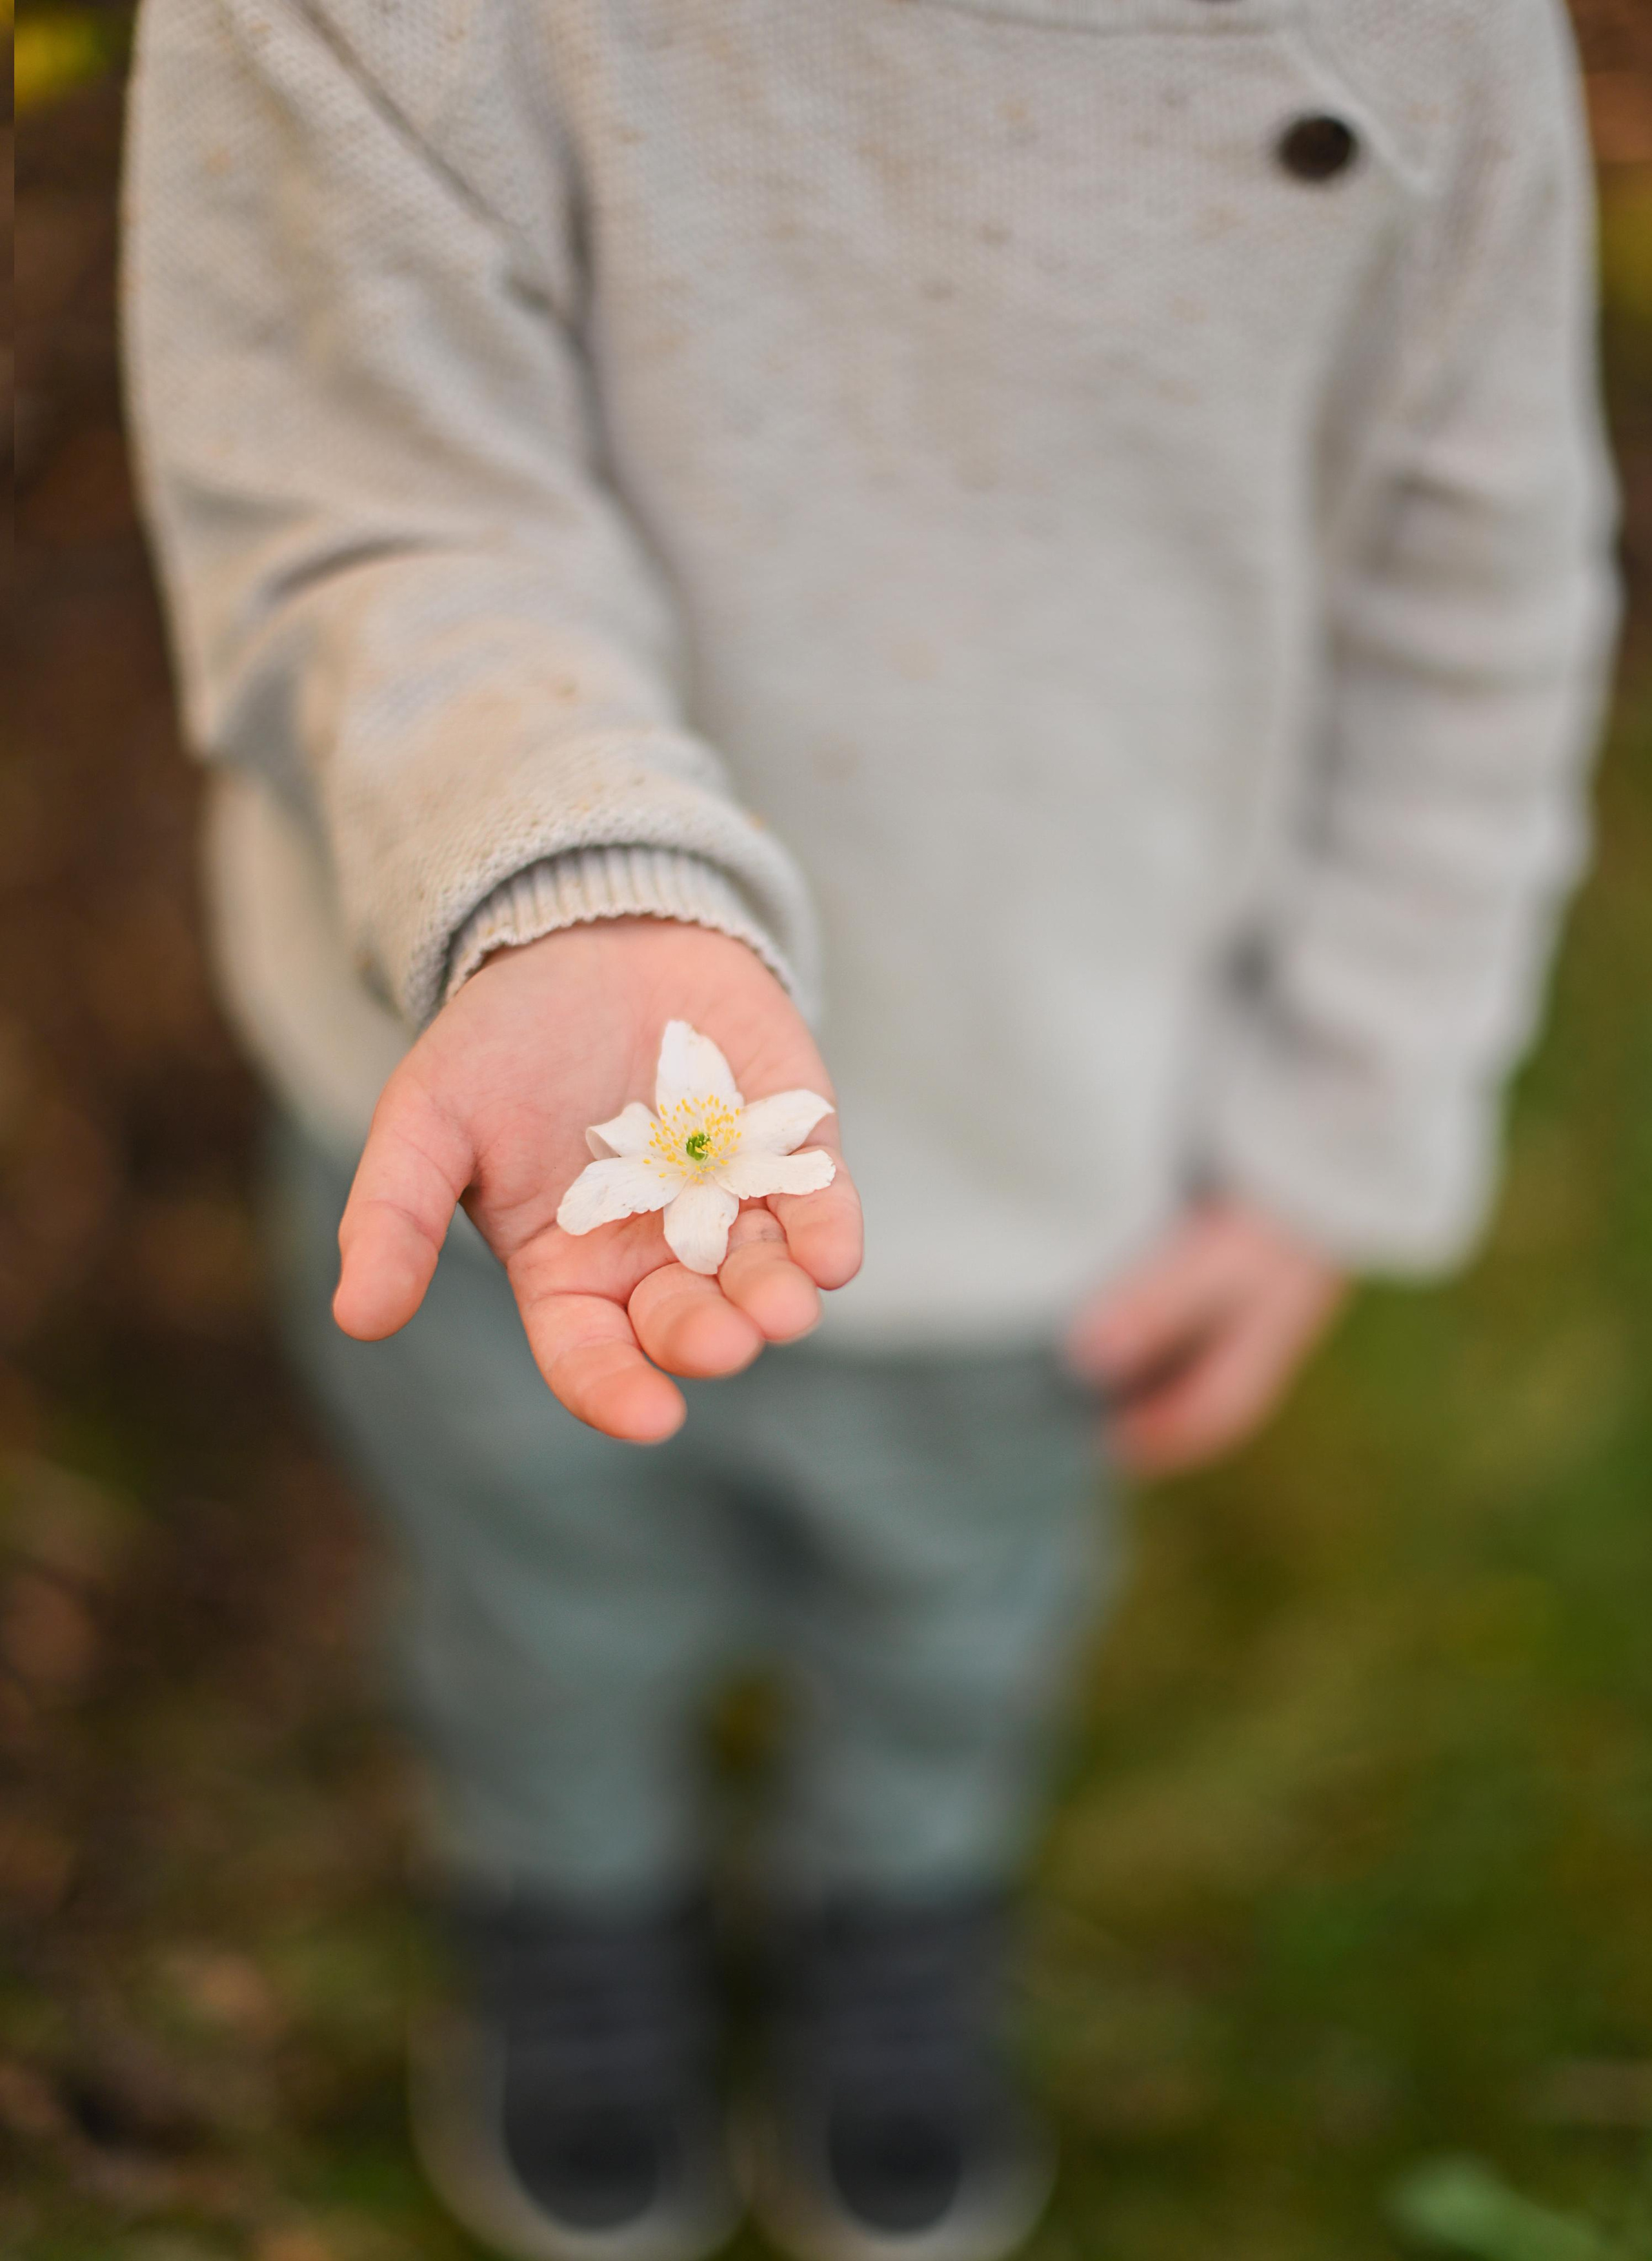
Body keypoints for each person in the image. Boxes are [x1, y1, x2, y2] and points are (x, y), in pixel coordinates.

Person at [123, 2, 1617, 2255]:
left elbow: (1477, 604)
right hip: (504, 1110)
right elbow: (363, 501)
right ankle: (568, 1914)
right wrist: (560, 888)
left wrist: (1337, 1136)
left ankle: (899, 1924)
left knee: (959, 1618)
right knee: (534, 1596)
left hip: (1061, 1136)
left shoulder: (1428, 50)